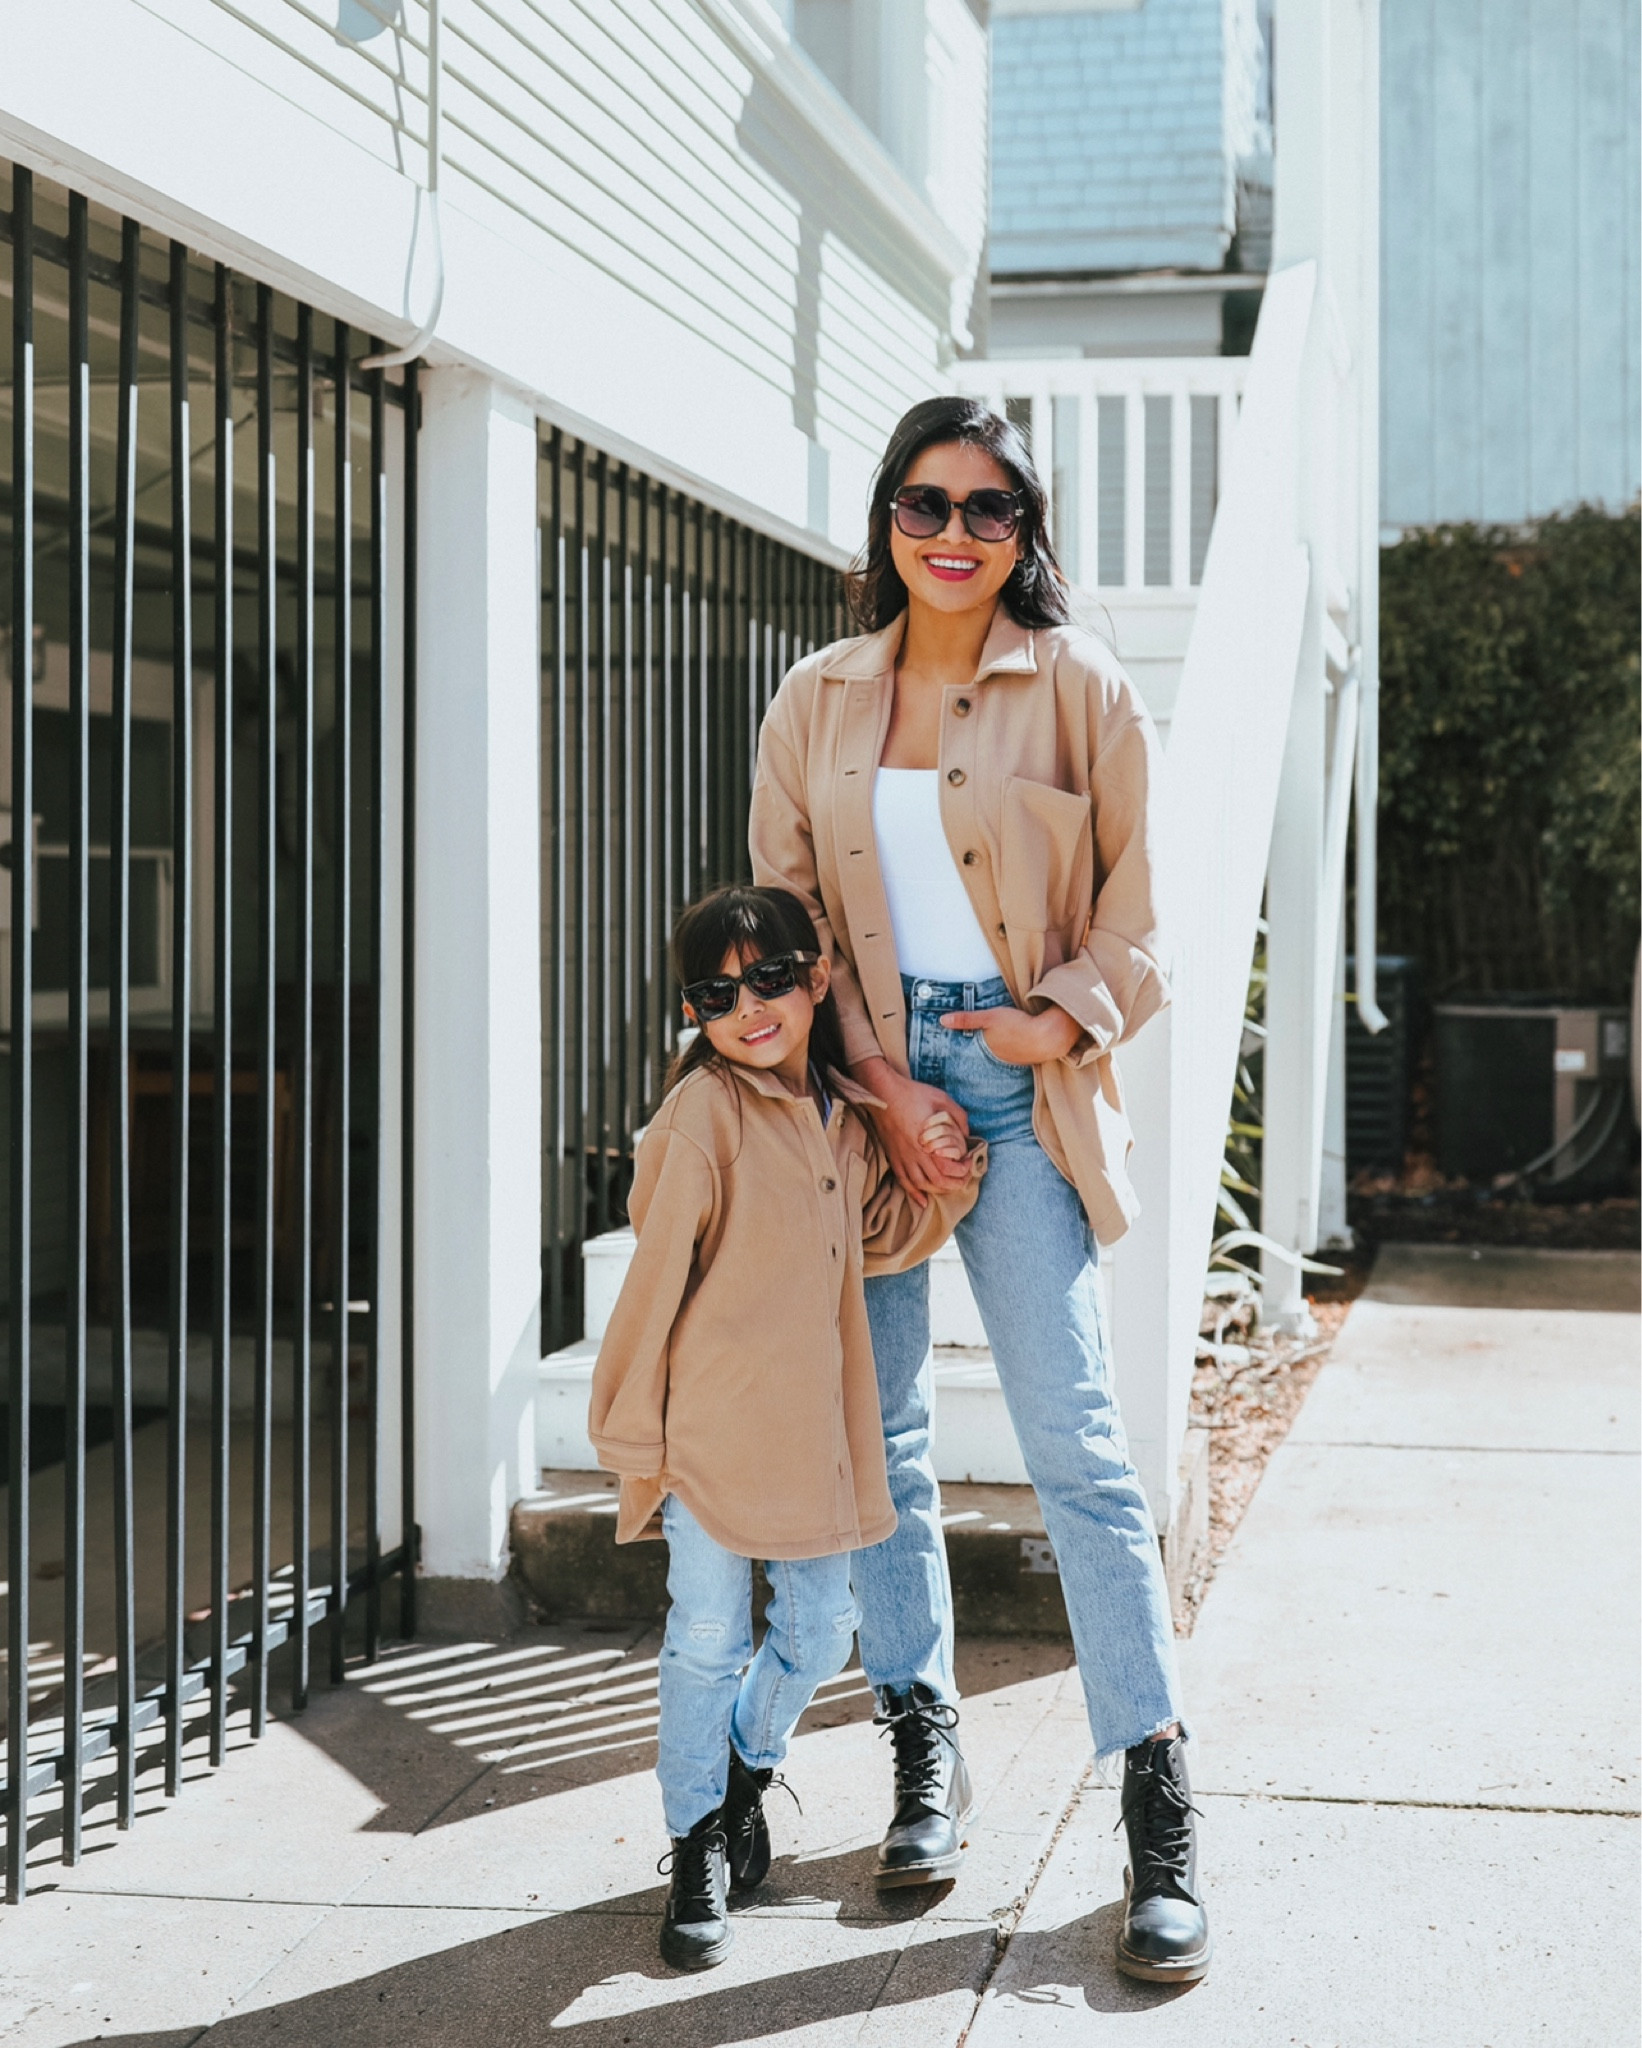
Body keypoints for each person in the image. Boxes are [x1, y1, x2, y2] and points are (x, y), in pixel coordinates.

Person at [748, 396, 1211, 1984]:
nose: (952, 532)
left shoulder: (1080, 688)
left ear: (1027, 531)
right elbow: (784, 936)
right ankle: (919, 1753)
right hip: (870, 1103)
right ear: (884, 518)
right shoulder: (813, 701)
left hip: (1018, 1094)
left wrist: (1043, 1020)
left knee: (1077, 1446)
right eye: (923, 502)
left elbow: (1146, 927)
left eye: (988, 508)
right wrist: (882, 1090)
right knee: (883, 1454)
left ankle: (1154, 1799)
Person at [588, 883, 985, 1972]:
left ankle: (742, 1773)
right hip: (710, 1439)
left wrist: (954, 1168)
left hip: (811, 1440)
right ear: (695, 1011)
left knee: (821, 1628)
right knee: (706, 1638)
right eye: (720, 992)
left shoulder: (842, 1121)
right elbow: (652, 1281)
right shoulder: (699, 1118)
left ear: (817, 980)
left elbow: (882, 1237)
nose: (749, 1005)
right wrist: (635, 1438)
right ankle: (697, 1840)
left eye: (771, 978)